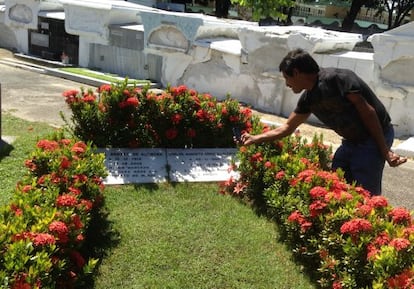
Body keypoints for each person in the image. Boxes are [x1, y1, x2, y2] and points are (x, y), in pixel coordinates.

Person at [240, 48, 407, 196]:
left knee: (366, 191)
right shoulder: (308, 98)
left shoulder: (339, 80)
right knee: (337, 179)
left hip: (375, 137)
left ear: (297, 72)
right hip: (351, 142)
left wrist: (385, 152)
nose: (287, 84)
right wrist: (255, 138)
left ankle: (371, 225)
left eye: (287, 78)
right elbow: (287, 128)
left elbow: (369, 113)